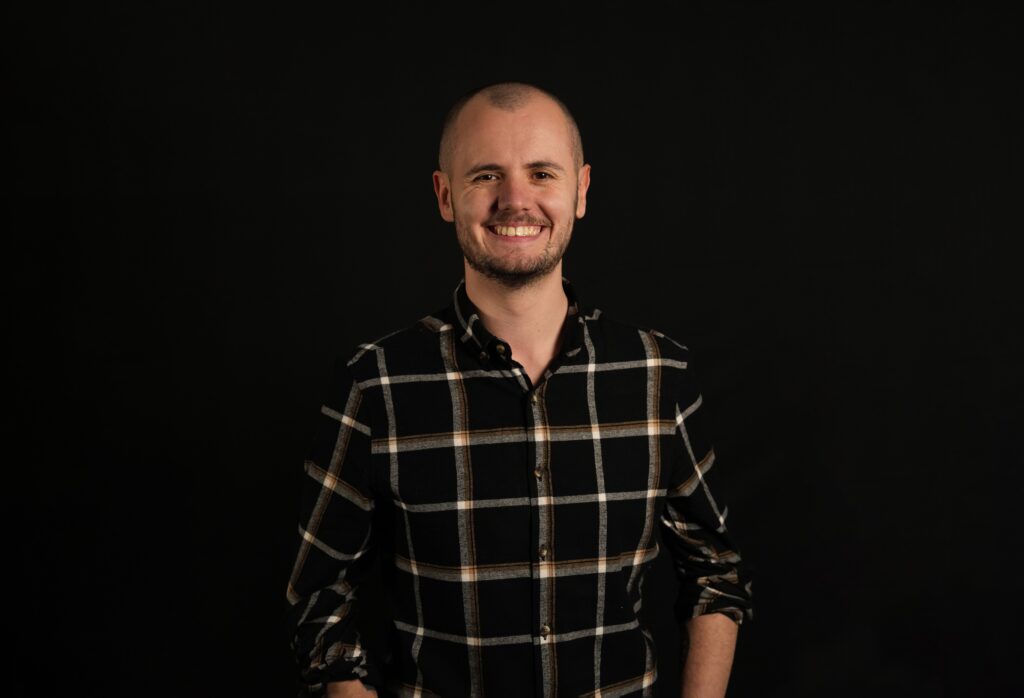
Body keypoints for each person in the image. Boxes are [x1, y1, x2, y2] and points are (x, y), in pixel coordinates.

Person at [286, 81, 753, 698]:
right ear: (445, 195)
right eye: (485, 176)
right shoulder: (374, 385)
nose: (515, 200)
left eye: (541, 173)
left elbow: (713, 571)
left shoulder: (658, 375)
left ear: (581, 190)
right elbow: (319, 594)